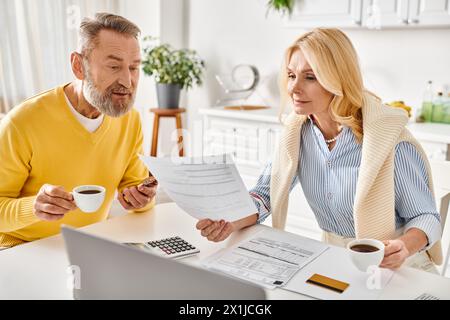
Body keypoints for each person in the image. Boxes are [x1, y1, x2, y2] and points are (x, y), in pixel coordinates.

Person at [196, 28, 443, 272]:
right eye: (291, 75)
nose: (293, 88)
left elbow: (427, 217)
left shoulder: (388, 141)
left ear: (338, 81)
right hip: (335, 260)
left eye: (310, 77)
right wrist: (229, 222)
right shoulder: (297, 133)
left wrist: (403, 247)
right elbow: (264, 196)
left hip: (401, 268)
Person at [0, 13, 157, 249]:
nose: (127, 80)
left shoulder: (129, 119)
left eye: (134, 68)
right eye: (114, 66)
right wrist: (33, 207)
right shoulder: (21, 123)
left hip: (89, 242)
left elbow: (134, 189)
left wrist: (139, 198)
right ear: (78, 66)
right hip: (23, 247)